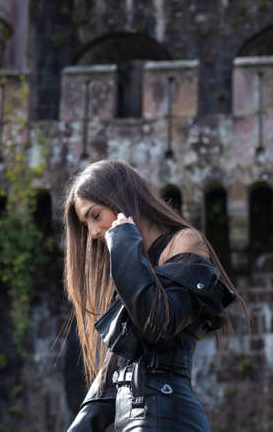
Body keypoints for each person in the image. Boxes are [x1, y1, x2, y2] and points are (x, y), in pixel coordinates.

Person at [63, 159, 248, 432]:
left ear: (119, 200)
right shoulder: (132, 268)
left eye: (95, 215)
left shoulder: (184, 243)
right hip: (137, 420)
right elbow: (113, 378)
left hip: (166, 416)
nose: (92, 233)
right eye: (85, 223)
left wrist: (123, 239)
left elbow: (159, 323)